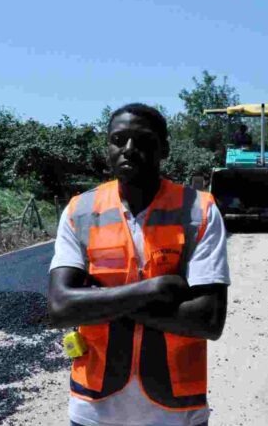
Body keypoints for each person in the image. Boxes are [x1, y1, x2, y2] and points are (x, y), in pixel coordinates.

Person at [48, 103, 230, 426]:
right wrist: (155, 289)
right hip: (93, 410)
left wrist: (96, 299)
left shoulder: (199, 212)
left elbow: (208, 320)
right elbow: (61, 307)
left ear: (164, 149)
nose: (129, 149)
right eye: (119, 140)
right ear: (107, 148)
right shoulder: (80, 211)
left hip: (176, 412)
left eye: (142, 141)